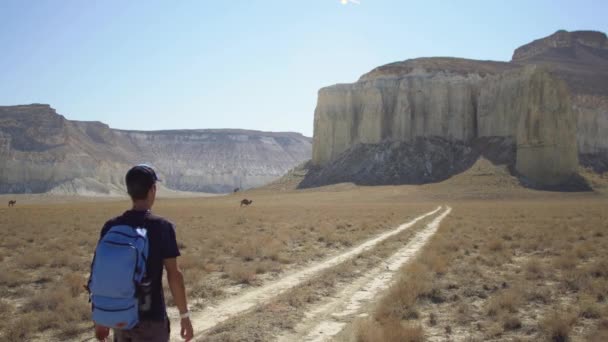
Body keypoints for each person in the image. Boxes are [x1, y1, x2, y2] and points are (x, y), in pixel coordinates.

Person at [93, 164, 194, 342]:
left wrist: (101, 320)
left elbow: (101, 274)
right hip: (152, 320)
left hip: (120, 317)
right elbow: (174, 275)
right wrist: (184, 316)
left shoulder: (111, 226)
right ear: (153, 189)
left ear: (129, 191)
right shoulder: (162, 227)